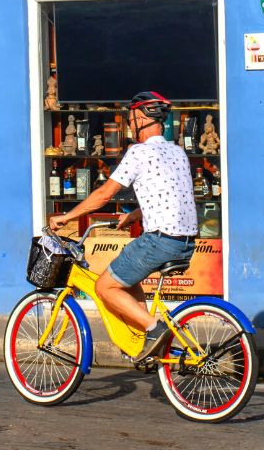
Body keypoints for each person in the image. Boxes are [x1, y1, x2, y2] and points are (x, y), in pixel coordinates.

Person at [49, 90, 197, 360]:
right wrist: (134, 216)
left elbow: (104, 194)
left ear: (141, 118)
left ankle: (154, 328)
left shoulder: (138, 153)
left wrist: (66, 217)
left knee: (103, 287)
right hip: (185, 242)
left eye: (131, 117)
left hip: (160, 241)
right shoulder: (177, 153)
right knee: (127, 279)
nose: (130, 123)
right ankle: (144, 342)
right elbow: (173, 197)